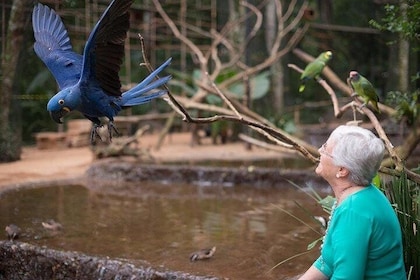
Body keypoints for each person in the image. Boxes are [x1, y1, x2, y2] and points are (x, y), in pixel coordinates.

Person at [299, 125, 406, 280]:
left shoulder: (354, 211)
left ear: (342, 170)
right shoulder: (360, 195)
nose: (320, 150)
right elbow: (327, 263)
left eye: (325, 148)